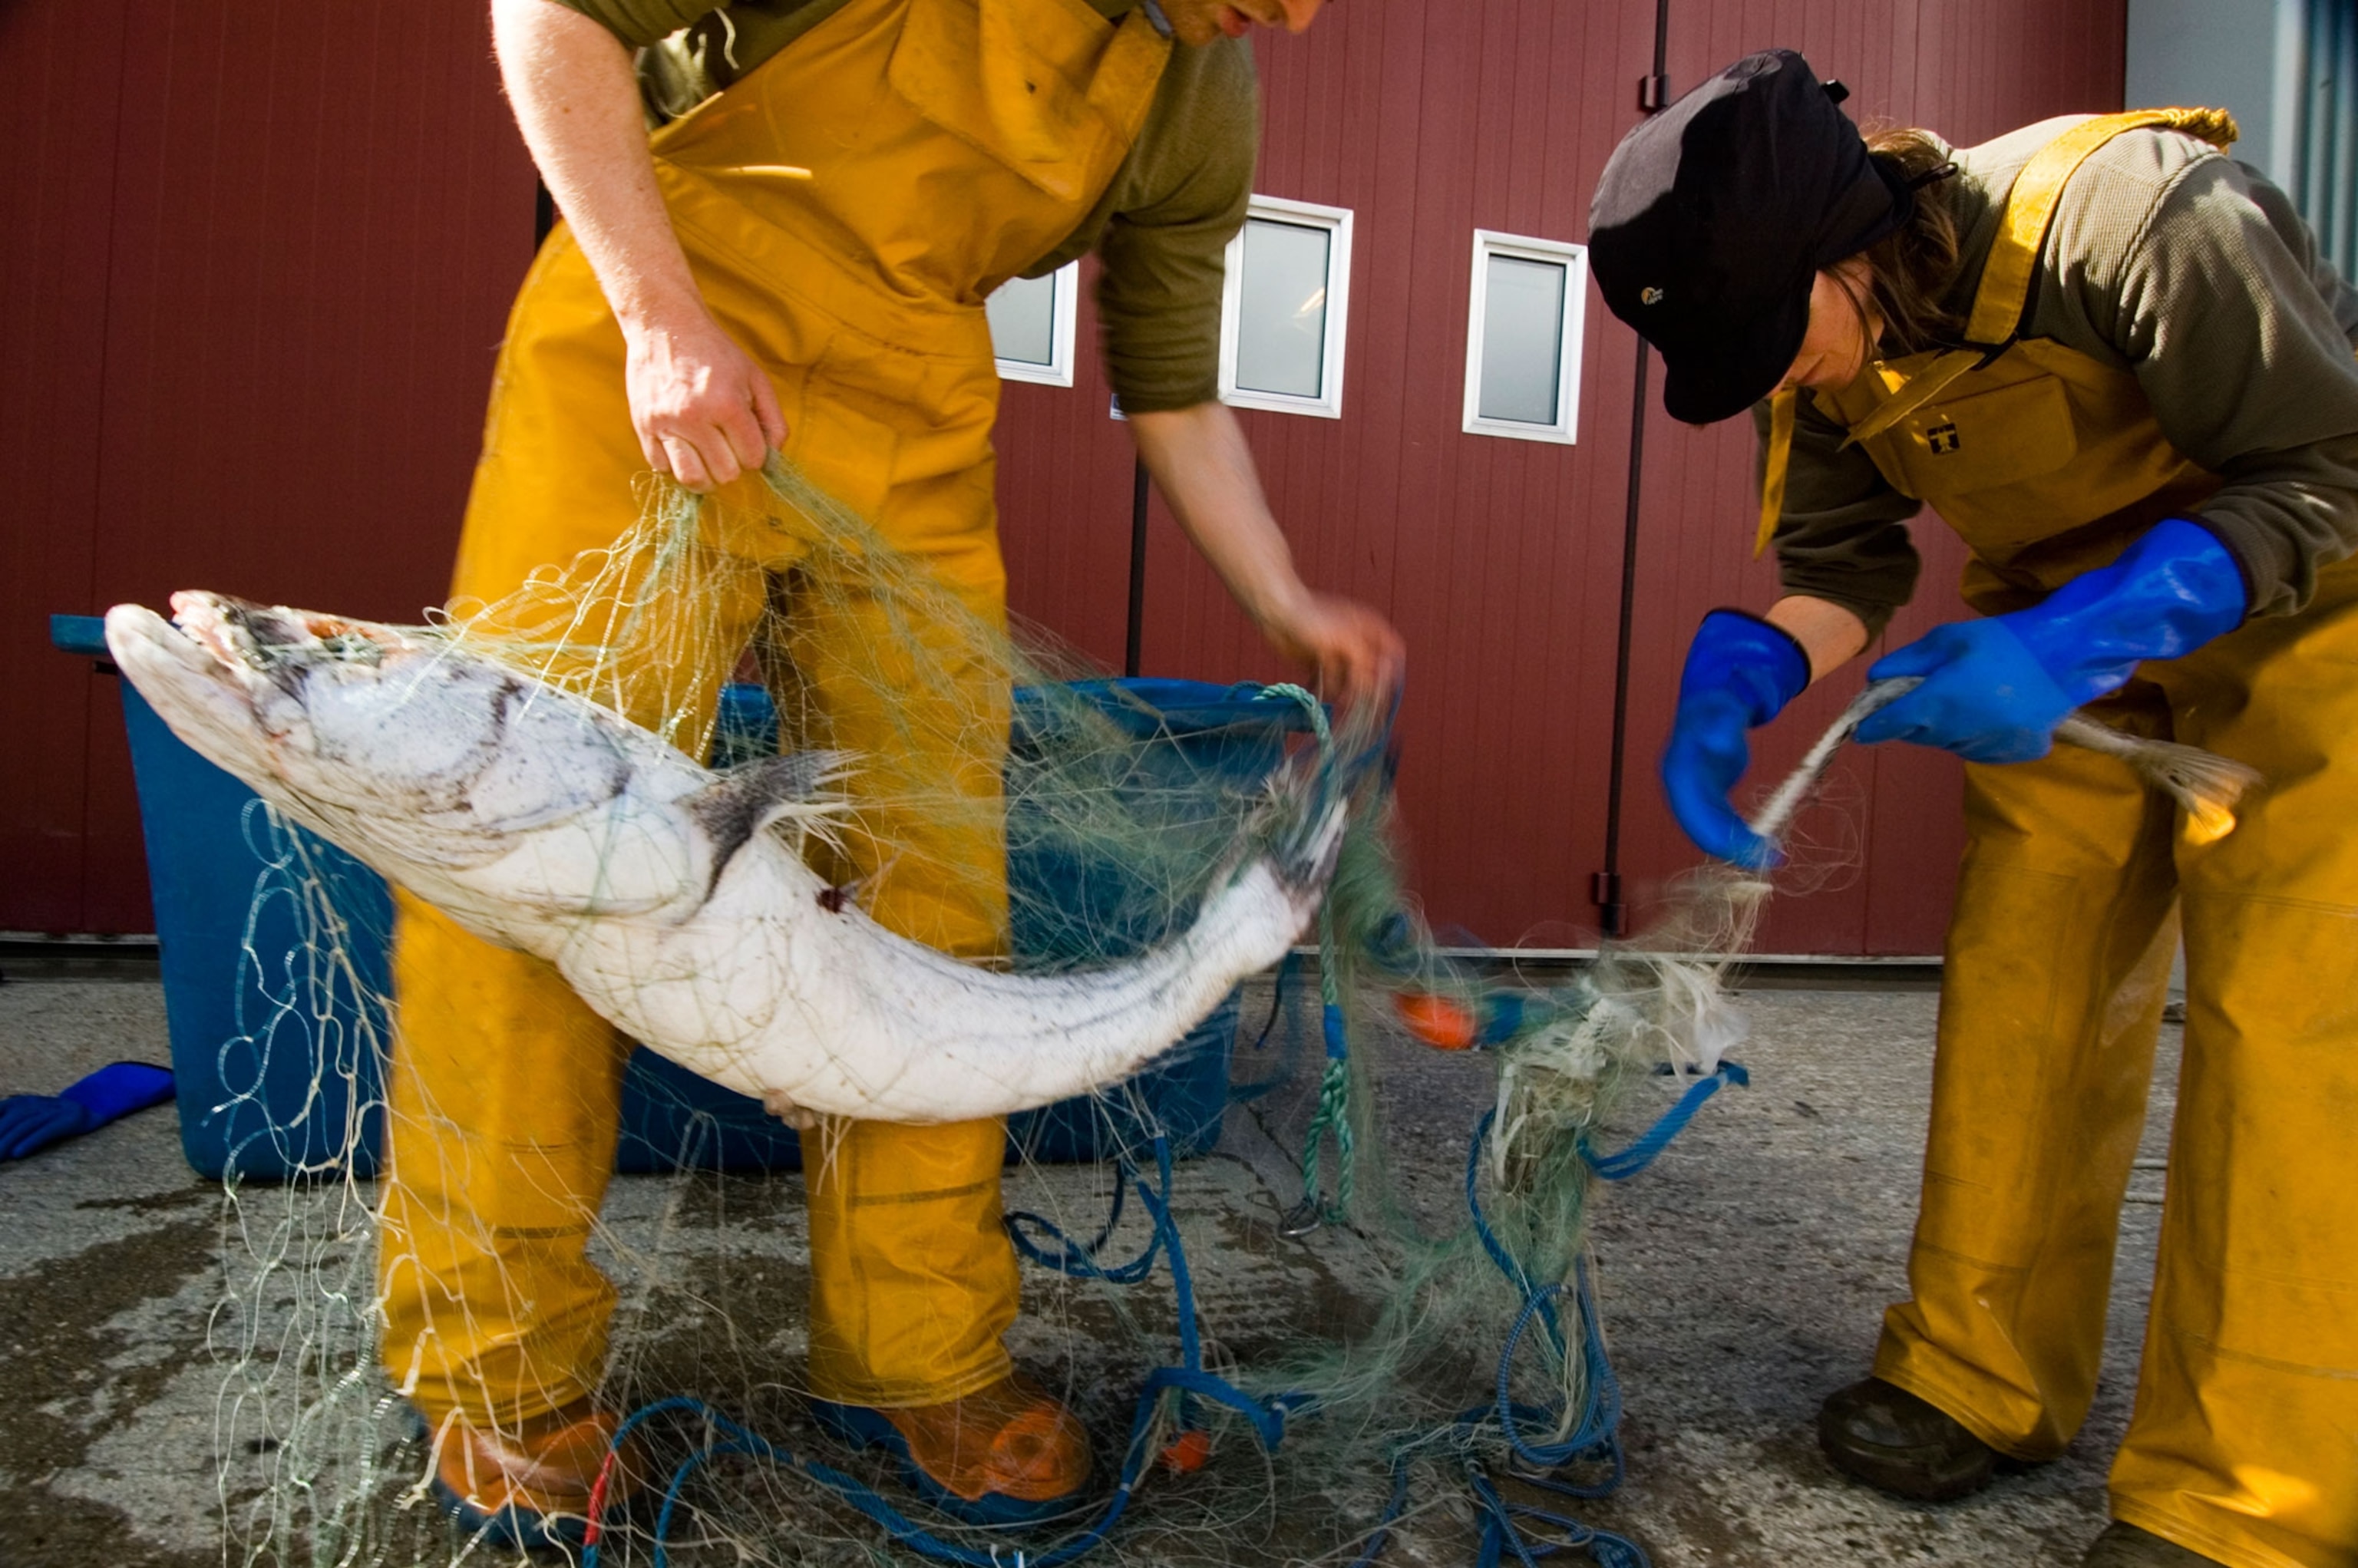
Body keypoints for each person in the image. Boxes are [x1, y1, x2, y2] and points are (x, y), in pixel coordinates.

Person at [382, 0, 1405, 1544]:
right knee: (532, 852)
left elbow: (1175, 383)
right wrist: (661, 316)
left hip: (918, 399)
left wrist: (1281, 594)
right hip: (663, 318)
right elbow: (553, 17)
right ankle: (498, 1365)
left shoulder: (1202, 93)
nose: (1295, 12)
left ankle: (918, 1350)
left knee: (934, 898)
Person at [1588, 50, 2358, 1568]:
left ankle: (2249, 1498)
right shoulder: (1814, 343)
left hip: (2305, 617)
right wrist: (1758, 664)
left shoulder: (2136, 220)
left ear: (1841, 240)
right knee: (2024, 980)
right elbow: (1847, 562)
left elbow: (2336, 466)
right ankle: (1978, 1372)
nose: (1773, 378)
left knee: (2287, 1023)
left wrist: (2094, 631)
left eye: (1768, 337)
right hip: (2060, 625)